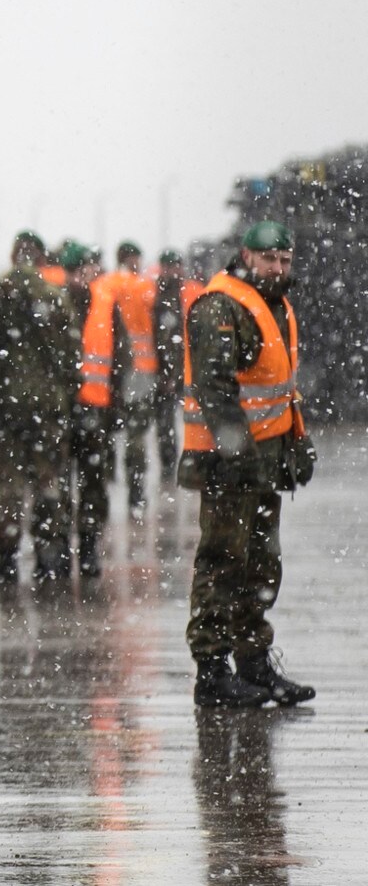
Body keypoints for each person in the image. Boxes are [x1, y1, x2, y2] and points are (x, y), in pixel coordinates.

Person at [182, 221, 315, 707]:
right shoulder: (222, 306)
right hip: (227, 465)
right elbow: (213, 388)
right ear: (247, 256)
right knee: (222, 563)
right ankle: (212, 673)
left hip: (263, 463)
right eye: (268, 259)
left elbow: (278, 388)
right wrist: (237, 452)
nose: (277, 268)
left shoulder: (275, 306)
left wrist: (296, 443)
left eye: (284, 259)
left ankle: (254, 665)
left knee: (261, 565)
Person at [0, 231, 78, 583]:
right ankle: (49, 558)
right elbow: (71, 357)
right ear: (42, 259)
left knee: (10, 487)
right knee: (47, 482)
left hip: (5, 408)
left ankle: (7, 559)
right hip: (46, 408)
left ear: (14, 256)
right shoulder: (54, 297)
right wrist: (63, 399)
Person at [59, 242, 111, 575]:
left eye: (90, 269)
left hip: (96, 408)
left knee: (93, 484)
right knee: (60, 485)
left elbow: (119, 357)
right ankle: (59, 551)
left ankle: (89, 549)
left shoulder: (105, 304)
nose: (86, 276)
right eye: (81, 270)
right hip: (63, 410)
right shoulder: (53, 304)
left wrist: (116, 407)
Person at [103, 243, 162, 515]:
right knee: (136, 434)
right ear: (132, 259)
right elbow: (158, 319)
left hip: (111, 369)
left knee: (108, 430)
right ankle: (135, 494)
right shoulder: (143, 286)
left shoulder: (107, 284)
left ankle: (106, 480)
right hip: (142, 368)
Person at [152, 249, 199, 484]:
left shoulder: (191, 292)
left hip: (190, 368)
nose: (172, 271)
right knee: (166, 422)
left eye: (175, 266)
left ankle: (193, 461)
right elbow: (162, 339)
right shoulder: (157, 295)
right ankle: (170, 465)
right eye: (168, 267)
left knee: (194, 420)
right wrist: (167, 373)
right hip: (168, 370)